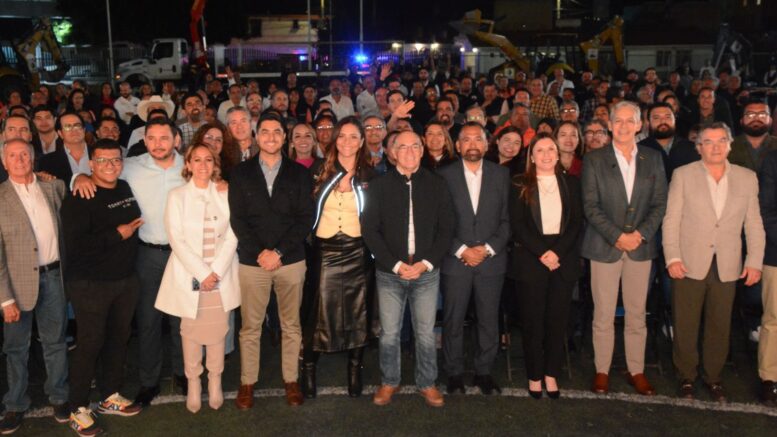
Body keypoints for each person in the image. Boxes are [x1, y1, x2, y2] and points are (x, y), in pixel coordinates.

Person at [71, 118, 188, 406]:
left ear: (176, 140)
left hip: (182, 255)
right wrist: (79, 178)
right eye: (152, 138)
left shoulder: (189, 166)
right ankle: (149, 381)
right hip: (145, 254)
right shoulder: (131, 166)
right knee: (148, 320)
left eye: (164, 138)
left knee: (182, 320)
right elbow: (100, 170)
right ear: (144, 140)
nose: (158, 144)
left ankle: (183, 373)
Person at [663, 122, 764, 402]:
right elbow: (671, 219)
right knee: (685, 323)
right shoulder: (683, 175)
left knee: (719, 325)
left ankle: (714, 378)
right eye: (708, 141)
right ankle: (686, 377)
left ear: (730, 145)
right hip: (688, 261)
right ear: (699, 147)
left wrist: (754, 261)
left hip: (728, 264)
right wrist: (673, 257)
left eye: (721, 141)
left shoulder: (747, 177)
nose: (715, 147)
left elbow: (754, 224)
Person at [362, 130, 455, 408]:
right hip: (390, 273)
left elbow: (447, 228)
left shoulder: (437, 184)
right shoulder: (379, 186)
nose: (410, 151)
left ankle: (427, 383)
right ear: (393, 153)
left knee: (425, 333)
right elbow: (370, 230)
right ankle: (390, 380)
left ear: (422, 150)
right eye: (403, 147)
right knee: (389, 332)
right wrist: (396, 264)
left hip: (426, 272)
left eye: (415, 146)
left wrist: (425, 264)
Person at [581, 101, 667, 396]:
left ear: (640, 125)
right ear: (609, 124)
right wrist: (617, 236)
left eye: (630, 121)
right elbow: (590, 206)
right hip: (604, 246)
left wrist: (639, 235)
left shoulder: (653, 158)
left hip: (641, 248)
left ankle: (636, 370)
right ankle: (602, 370)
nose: (624, 126)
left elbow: (660, 203)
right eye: (618, 120)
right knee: (603, 313)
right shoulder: (594, 159)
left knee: (636, 313)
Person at [229, 113, 314, 409]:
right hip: (252, 262)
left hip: (290, 261)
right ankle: (247, 382)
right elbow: (238, 220)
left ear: (284, 136)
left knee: (291, 324)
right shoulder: (240, 173)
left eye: (277, 131)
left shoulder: (299, 173)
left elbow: (306, 218)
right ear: (256, 136)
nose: (270, 137)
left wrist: (277, 252)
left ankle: (291, 380)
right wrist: (260, 253)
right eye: (264, 131)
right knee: (250, 326)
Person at [61, 139, 144, 435]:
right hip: (90, 284)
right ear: (91, 164)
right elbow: (76, 245)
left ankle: (110, 396)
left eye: (115, 160)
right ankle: (77, 408)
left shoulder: (124, 187)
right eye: (102, 160)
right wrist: (117, 235)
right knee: (90, 343)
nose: (110, 165)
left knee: (118, 339)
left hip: (124, 280)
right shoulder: (80, 196)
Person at [155, 143, 240, 413]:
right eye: (197, 160)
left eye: (208, 160)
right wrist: (203, 273)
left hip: (221, 274)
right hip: (189, 275)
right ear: (188, 164)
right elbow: (176, 239)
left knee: (218, 330)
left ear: (215, 165)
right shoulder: (176, 196)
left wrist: (216, 272)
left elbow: (233, 234)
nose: (203, 165)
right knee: (190, 332)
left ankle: (215, 380)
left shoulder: (226, 193)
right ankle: (193, 382)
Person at [302, 116, 376, 399]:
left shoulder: (370, 175)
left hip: (358, 251)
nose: (347, 141)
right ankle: (309, 367)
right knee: (317, 311)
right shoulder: (319, 170)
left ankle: (355, 368)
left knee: (358, 312)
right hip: (325, 250)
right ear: (335, 139)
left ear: (361, 141)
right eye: (342, 135)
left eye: (354, 136)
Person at [0, 139, 69, 434]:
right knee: (16, 348)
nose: (19, 160)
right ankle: (15, 404)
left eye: (24, 154)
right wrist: (5, 299)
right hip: (16, 286)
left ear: (33, 158)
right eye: (12, 155)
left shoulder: (53, 188)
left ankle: (59, 397)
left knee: (56, 342)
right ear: (4, 162)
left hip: (54, 277)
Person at [438, 122, 511, 395]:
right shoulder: (443, 176)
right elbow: (439, 222)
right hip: (455, 261)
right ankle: (454, 373)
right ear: (457, 146)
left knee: (488, 320)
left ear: (486, 144)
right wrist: (462, 250)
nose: (472, 144)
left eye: (477, 139)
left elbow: (507, 220)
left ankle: (484, 372)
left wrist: (487, 249)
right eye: (466, 139)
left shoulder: (501, 175)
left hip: (491, 261)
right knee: (453, 320)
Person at [510, 133, 583, 399]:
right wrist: (543, 252)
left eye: (551, 149)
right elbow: (517, 224)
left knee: (557, 321)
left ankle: (551, 373)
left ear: (558, 153)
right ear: (531, 156)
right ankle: (534, 375)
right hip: (531, 259)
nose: (546, 155)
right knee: (533, 322)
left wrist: (556, 252)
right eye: (539, 150)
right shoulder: (519, 183)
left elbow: (576, 223)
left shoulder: (571, 183)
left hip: (562, 259)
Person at [758, 149, 777, 405]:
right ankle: (770, 379)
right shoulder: (773, 160)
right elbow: (767, 211)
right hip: (776, 254)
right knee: (774, 319)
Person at [638, 102, 700, 180]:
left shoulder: (691, 148)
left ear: (675, 119)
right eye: (656, 118)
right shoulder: (639, 149)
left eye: (667, 117)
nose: (663, 121)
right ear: (648, 122)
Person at [39, 112, 90, 183]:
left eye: (77, 126)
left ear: (84, 130)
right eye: (67, 127)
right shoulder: (47, 161)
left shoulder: (101, 153)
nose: (73, 130)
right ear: (60, 133)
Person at [728, 99, 777, 173]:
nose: (756, 118)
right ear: (741, 120)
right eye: (750, 115)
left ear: (770, 120)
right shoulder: (729, 146)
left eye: (762, 115)